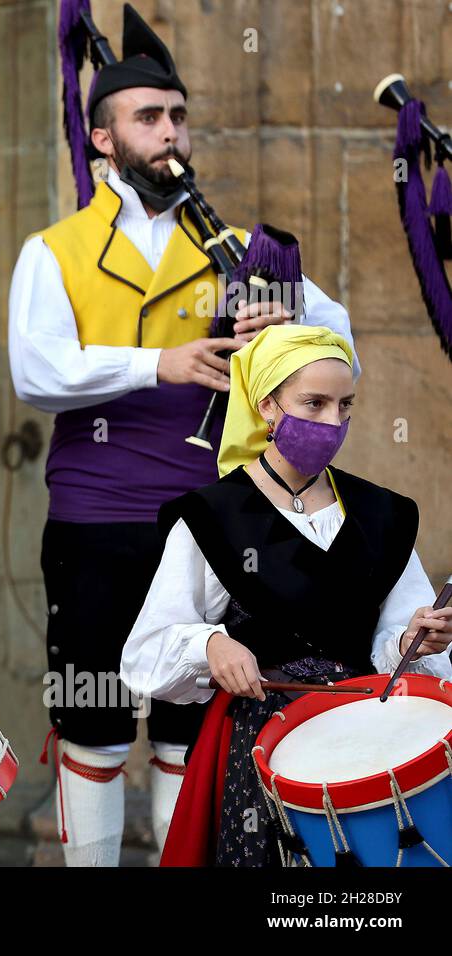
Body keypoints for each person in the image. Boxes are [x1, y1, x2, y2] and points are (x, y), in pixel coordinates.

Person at [9, 3, 357, 866]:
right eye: (147, 118)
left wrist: (286, 327)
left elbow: (341, 342)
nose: (169, 134)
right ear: (102, 139)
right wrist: (154, 365)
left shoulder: (240, 248)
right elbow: (35, 371)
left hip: (210, 521)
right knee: (91, 724)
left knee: (186, 725)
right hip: (96, 519)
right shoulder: (51, 251)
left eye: (178, 117)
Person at [120, 324, 452, 866]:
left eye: (345, 405)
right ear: (268, 405)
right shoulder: (213, 515)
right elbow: (145, 652)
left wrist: (417, 639)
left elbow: (394, 640)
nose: (332, 422)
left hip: (366, 735)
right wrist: (209, 646)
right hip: (261, 747)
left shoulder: (381, 514)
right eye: (313, 403)